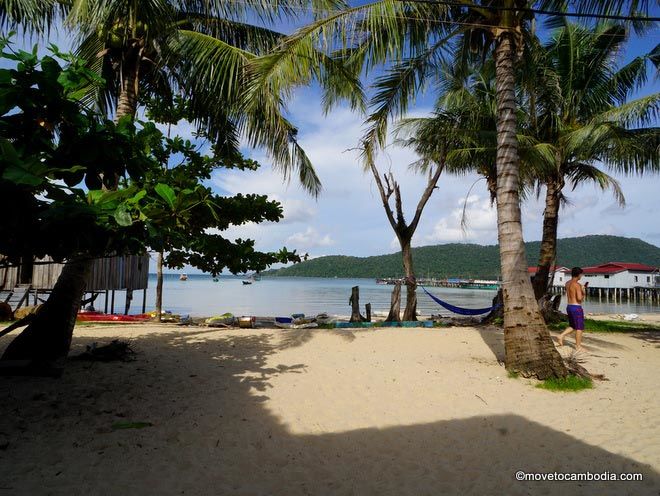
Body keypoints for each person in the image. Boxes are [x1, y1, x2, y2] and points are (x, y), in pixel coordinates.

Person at [558, 267, 588, 351]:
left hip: (569, 306)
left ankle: (561, 335)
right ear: (579, 275)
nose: (581, 276)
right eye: (581, 274)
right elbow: (579, 299)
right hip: (576, 307)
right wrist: (583, 292)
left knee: (572, 325)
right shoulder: (577, 285)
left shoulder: (567, 283)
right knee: (579, 327)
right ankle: (578, 346)